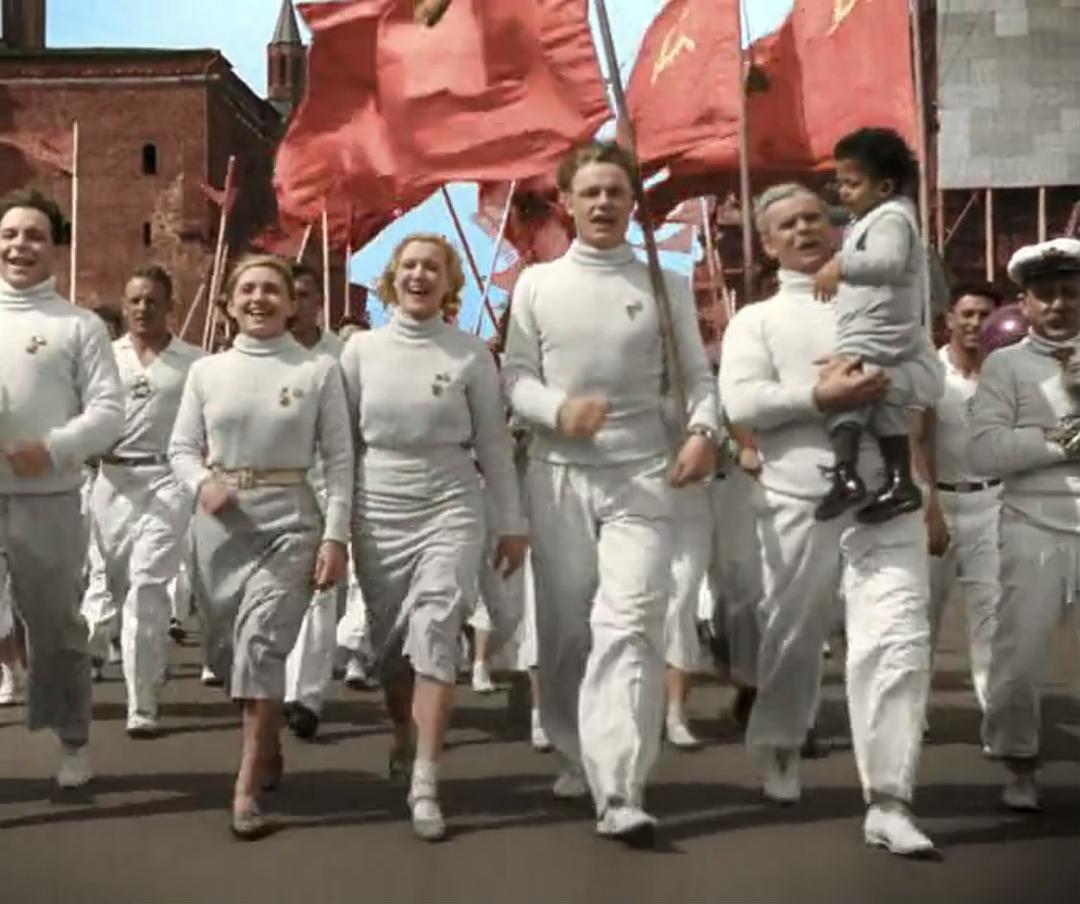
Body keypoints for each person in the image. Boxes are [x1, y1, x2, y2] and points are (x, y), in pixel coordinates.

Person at [503, 140, 719, 847]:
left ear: (633, 203)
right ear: (567, 202)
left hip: (641, 474)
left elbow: (697, 378)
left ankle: (621, 786)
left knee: (630, 624)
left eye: (615, 192)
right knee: (567, 631)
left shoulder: (665, 284)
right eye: (590, 192)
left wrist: (703, 431)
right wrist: (556, 410)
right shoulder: (537, 285)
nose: (603, 203)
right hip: (559, 474)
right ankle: (574, 749)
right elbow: (515, 377)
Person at [719, 183, 942, 856]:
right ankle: (779, 743)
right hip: (799, 499)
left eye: (815, 218)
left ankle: (890, 799)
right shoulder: (757, 320)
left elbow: (930, 383)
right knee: (791, 638)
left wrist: (880, 383)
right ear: (769, 244)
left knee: (895, 640)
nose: (805, 230)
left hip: (886, 500)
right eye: (788, 224)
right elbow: (742, 401)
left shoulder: (888, 304)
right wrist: (821, 395)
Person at [340, 233, 526, 842]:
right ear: (393, 277)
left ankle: (426, 779)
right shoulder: (360, 351)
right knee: (392, 647)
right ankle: (403, 732)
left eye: (433, 268)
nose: (420, 276)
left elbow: (494, 445)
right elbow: (341, 446)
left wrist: (511, 523)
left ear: (450, 284)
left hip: (451, 500)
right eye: (410, 266)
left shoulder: (471, 355)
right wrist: (334, 526)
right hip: (378, 503)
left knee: (438, 630)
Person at [169, 254, 352, 839]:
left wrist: (335, 536)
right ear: (228, 303)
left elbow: (340, 462)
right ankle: (266, 739)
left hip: (290, 520)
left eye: (272, 289)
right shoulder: (207, 372)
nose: (259, 298)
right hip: (220, 527)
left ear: (291, 303)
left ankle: (245, 787)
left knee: (261, 646)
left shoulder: (319, 371)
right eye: (247, 289)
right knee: (229, 655)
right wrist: (203, 483)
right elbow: (180, 448)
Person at [0, 187, 124, 786]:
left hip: (45, 498)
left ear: (55, 247)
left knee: (54, 629)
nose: (19, 246)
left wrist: (49, 449)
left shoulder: (78, 327)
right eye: (8, 234)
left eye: (33, 236)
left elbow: (108, 413)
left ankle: (72, 738)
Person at [968, 237, 1080, 813]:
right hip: (1034, 521)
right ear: (1026, 303)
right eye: (1046, 295)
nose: (1059, 304)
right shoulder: (1006, 365)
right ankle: (1018, 762)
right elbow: (985, 452)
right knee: (1020, 658)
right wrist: (1060, 443)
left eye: (1070, 292)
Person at [80, 265, 203, 737]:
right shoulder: (102, 359)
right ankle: (148, 663)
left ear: (169, 305)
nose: (142, 308)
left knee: (147, 587)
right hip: (112, 481)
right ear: (124, 305)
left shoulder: (194, 363)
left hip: (167, 480)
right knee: (114, 587)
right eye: (134, 300)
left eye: (152, 300)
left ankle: (141, 702)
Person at [812, 127, 928, 524]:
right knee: (884, 402)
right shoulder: (874, 216)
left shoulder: (891, 218)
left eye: (852, 183)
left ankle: (845, 473)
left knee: (847, 389)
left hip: (875, 325)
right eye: (840, 182)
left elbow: (888, 263)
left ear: (884, 187)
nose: (843, 191)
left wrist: (840, 265)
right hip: (878, 323)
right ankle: (900, 480)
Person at [911, 283, 1002, 715]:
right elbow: (916, 441)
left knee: (991, 617)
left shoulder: (1006, 373)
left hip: (992, 502)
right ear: (950, 319)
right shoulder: (930, 371)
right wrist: (930, 508)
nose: (974, 323)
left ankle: (996, 719)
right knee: (923, 616)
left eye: (984, 315)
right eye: (967, 314)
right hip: (940, 505)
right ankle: (913, 714)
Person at [282, 262, 347, 741]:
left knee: (321, 590)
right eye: (292, 294)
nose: (297, 304)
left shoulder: (342, 356)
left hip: (328, 482)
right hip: (274, 484)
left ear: (319, 302)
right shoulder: (263, 353)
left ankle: (304, 696)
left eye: (305, 295)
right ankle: (271, 683)